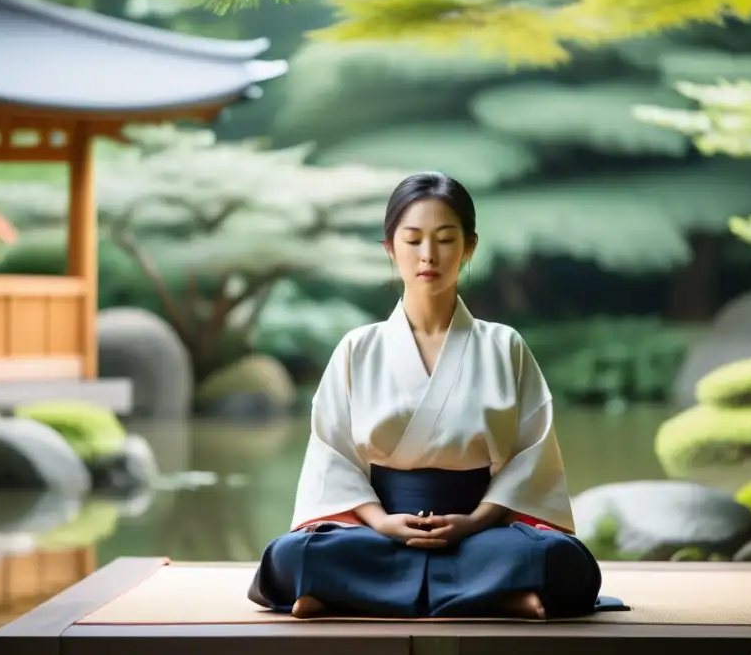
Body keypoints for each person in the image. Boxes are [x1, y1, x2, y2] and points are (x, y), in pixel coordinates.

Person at [248, 171, 602, 620]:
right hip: (382, 529)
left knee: (561, 558)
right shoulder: (359, 348)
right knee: (292, 554)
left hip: (479, 530)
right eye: (413, 240)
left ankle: (344, 593)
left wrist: (474, 522)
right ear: (390, 249)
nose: (428, 255)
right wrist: (381, 523)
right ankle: (501, 593)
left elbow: (531, 457)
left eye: (445, 239)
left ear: (468, 247)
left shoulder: (504, 345)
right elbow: (332, 456)